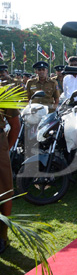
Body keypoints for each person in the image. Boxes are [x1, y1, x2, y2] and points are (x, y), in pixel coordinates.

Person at [0, 78, 22, 254]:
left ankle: (2, 235)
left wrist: (5, 148)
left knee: (4, 190)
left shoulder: (3, 91)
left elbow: (15, 125)